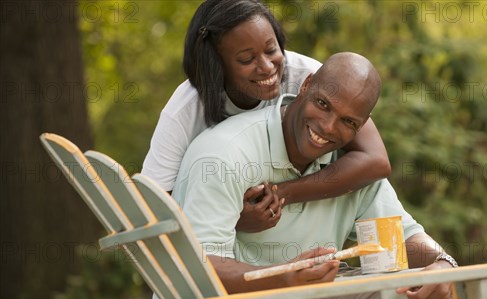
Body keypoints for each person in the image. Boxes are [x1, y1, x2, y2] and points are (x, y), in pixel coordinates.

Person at [141, 52, 460, 299]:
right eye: (323, 104)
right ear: (306, 85)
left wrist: (442, 264)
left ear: (362, 126)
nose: (328, 127)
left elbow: (405, 237)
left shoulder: (352, 169)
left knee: (434, 292)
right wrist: (285, 277)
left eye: (348, 122)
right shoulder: (223, 155)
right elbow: (195, 270)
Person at [141, 0, 391, 235]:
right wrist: (230, 219)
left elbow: (376, 161)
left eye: (271, 50)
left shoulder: (309, 76)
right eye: (247, 59)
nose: (267, 67)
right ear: (216, 64)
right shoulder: (186, 109)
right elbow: (154, 210)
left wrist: (282, 194)